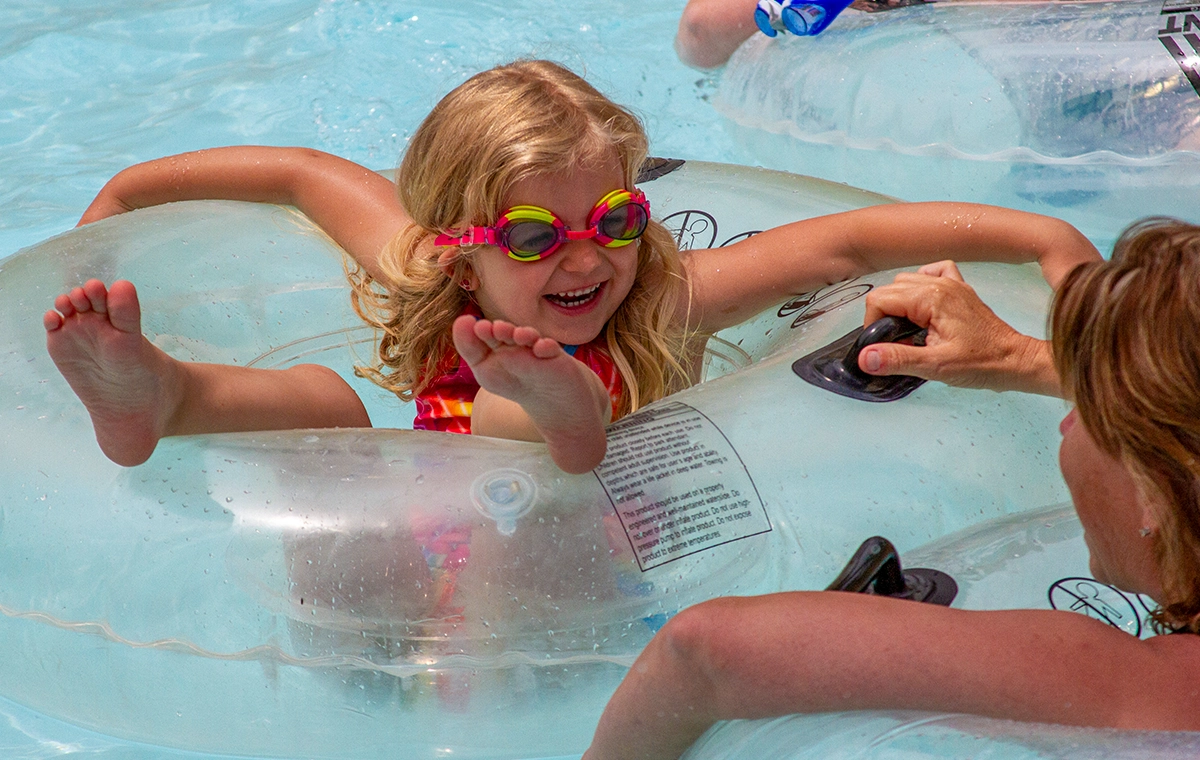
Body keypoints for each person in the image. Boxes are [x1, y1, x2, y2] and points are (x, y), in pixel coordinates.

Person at [44, 59, 1097, 475]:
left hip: (562, 546)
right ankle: (160, 397)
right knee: (326, 402)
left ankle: (565, 419)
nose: (588, 257)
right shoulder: (422, 263)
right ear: (459, 249)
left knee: (480, 424)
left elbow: (853, 243)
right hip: (414, 538)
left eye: (615, 217)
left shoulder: (666, 298)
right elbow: (296, 171)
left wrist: (1046, 241)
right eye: (539, 238)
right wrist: (127, 197)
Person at [582, 217, 1200, 760]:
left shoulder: (1143, 689)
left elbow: (704, 651)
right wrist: (1019, 358)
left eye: (1080, 407)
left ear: (1151, 492)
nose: (1065, 414)